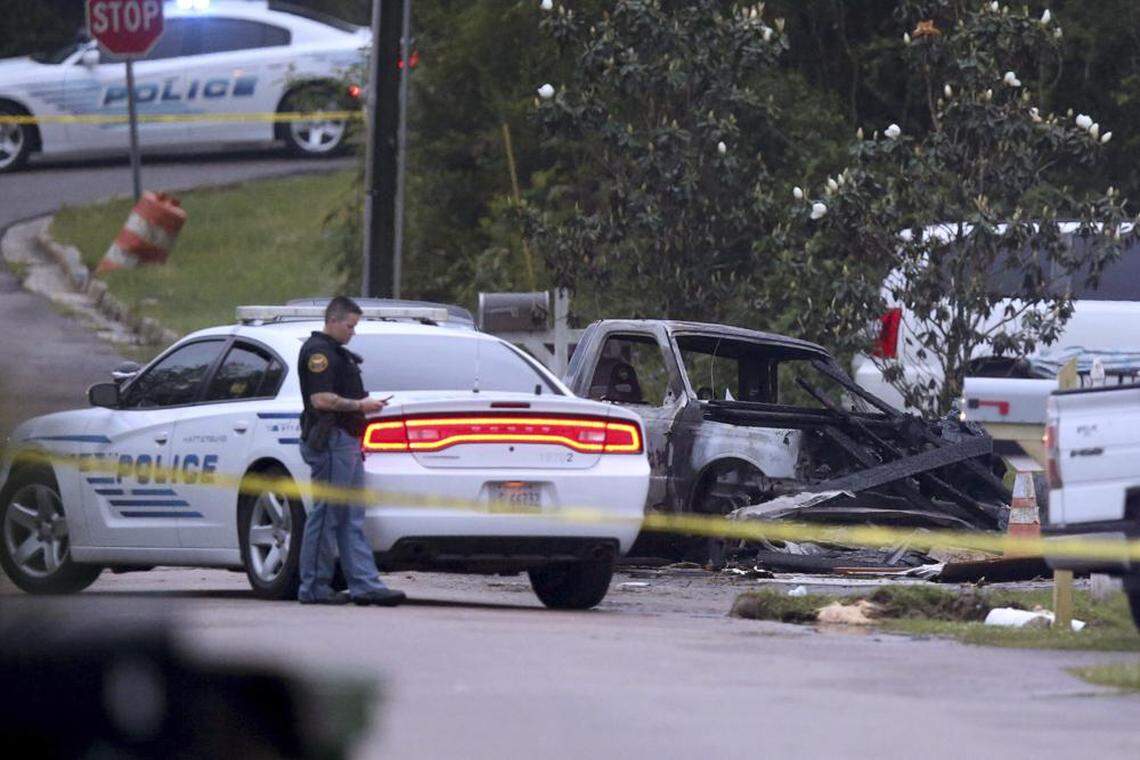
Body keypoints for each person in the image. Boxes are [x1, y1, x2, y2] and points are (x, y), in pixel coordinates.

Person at [296, 296, 405, 606]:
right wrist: (361, 405)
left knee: (351, 517)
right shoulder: (319, 354)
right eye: (349, 326)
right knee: (328, 514)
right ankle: (314, 587)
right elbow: (320, 399)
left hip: (346, 440)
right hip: (331, 441)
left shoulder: (336, 353)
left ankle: (365, 585)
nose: (352, 332)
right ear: (333, 321)